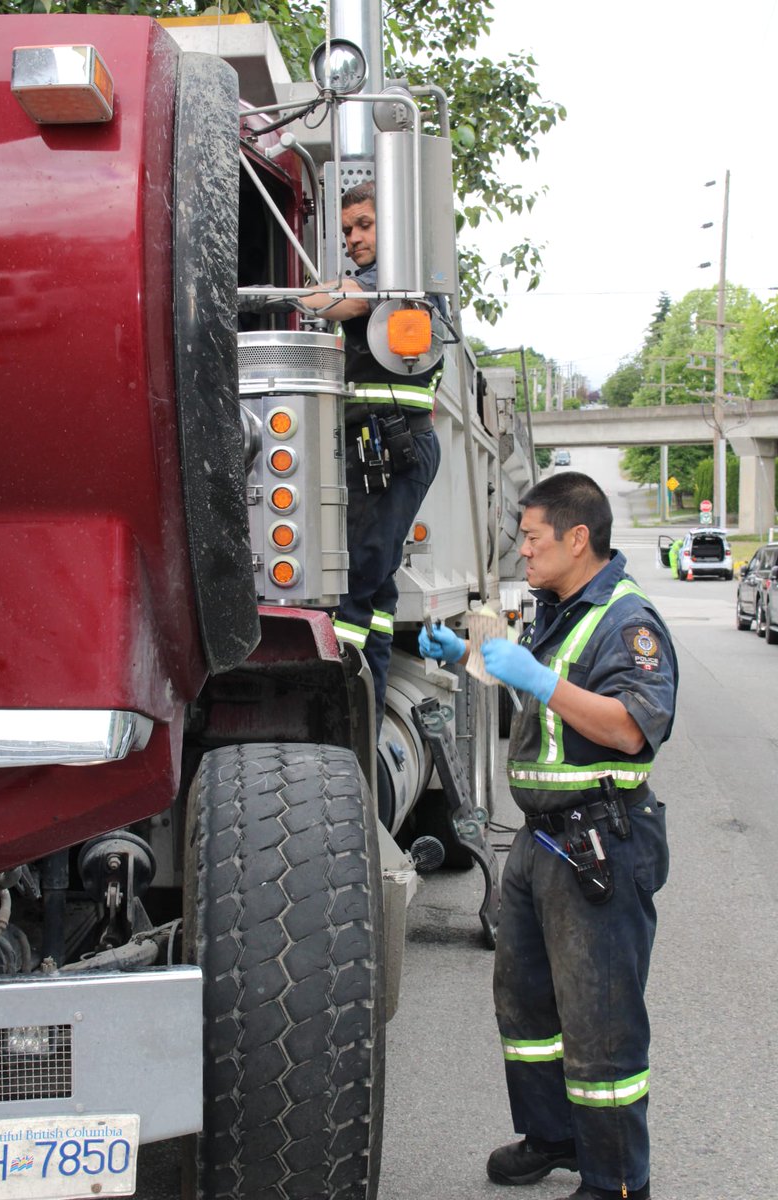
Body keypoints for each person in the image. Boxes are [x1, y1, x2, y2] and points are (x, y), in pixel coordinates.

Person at [418, 471, 677, 1200]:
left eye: (532, 539)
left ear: (576, 537)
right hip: (540, 842)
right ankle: (552, 1137)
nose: (523, 552)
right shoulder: (558, 607)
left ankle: (617, 1180)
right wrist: (458, 660)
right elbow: (538, 690)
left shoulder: (628, 622)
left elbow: (630, 728)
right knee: (527, 1007)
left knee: (601, 1020)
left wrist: (537, 679)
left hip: (599, 842)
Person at [305, 181, 442, 732]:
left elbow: (342, 299)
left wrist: (290, 295)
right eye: (346, 231)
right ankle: (370, 711)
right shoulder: (384, 281)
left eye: (363, 225)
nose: (353, 238)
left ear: (394, 224)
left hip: (390, 449)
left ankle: (343, 721)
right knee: (376, 590)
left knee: (353, 588)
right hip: (381, 448)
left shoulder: (399, 278)